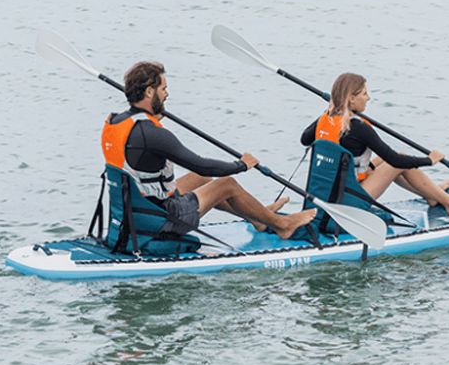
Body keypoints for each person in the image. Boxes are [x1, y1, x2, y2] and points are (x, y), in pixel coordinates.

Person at [102, 61, 318, 240]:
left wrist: (152, 118)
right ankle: (283, 224)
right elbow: (201, 164)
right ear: (150, 92)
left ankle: (258, 219)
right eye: (163, 88)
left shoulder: (117, 122)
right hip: (160, 220)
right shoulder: (152, 133)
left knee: (200, 179)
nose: (167, 94)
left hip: (135, 211)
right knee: (227, 184)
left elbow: (145, 157)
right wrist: (241, 165)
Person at [300, 72, 449, 217]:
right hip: (349, 200)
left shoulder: (324, 120)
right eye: (364, 93)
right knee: (398, 161)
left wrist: (329, 110)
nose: (369, 98)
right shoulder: (358, 127)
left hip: (329, 193)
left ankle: (431, 195)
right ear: (351, 99)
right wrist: (429, 160)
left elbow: (305, 139)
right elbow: (394, 160)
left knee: (390, 160)